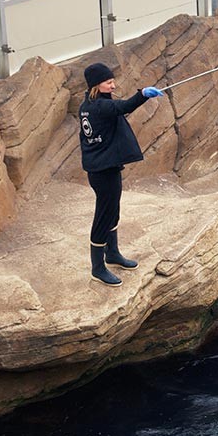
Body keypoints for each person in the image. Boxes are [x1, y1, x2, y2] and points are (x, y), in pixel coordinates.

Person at [78, 62, 164, 286]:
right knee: (103, 216)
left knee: (113, 210)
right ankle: (98, 267)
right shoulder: (100, 107)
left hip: (107, 167)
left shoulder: (89, 104)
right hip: (102, 171)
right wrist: (143, 94)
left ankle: (112, 253)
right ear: (97, 85)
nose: (114, 85)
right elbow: (123, 107)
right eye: (109, 82)